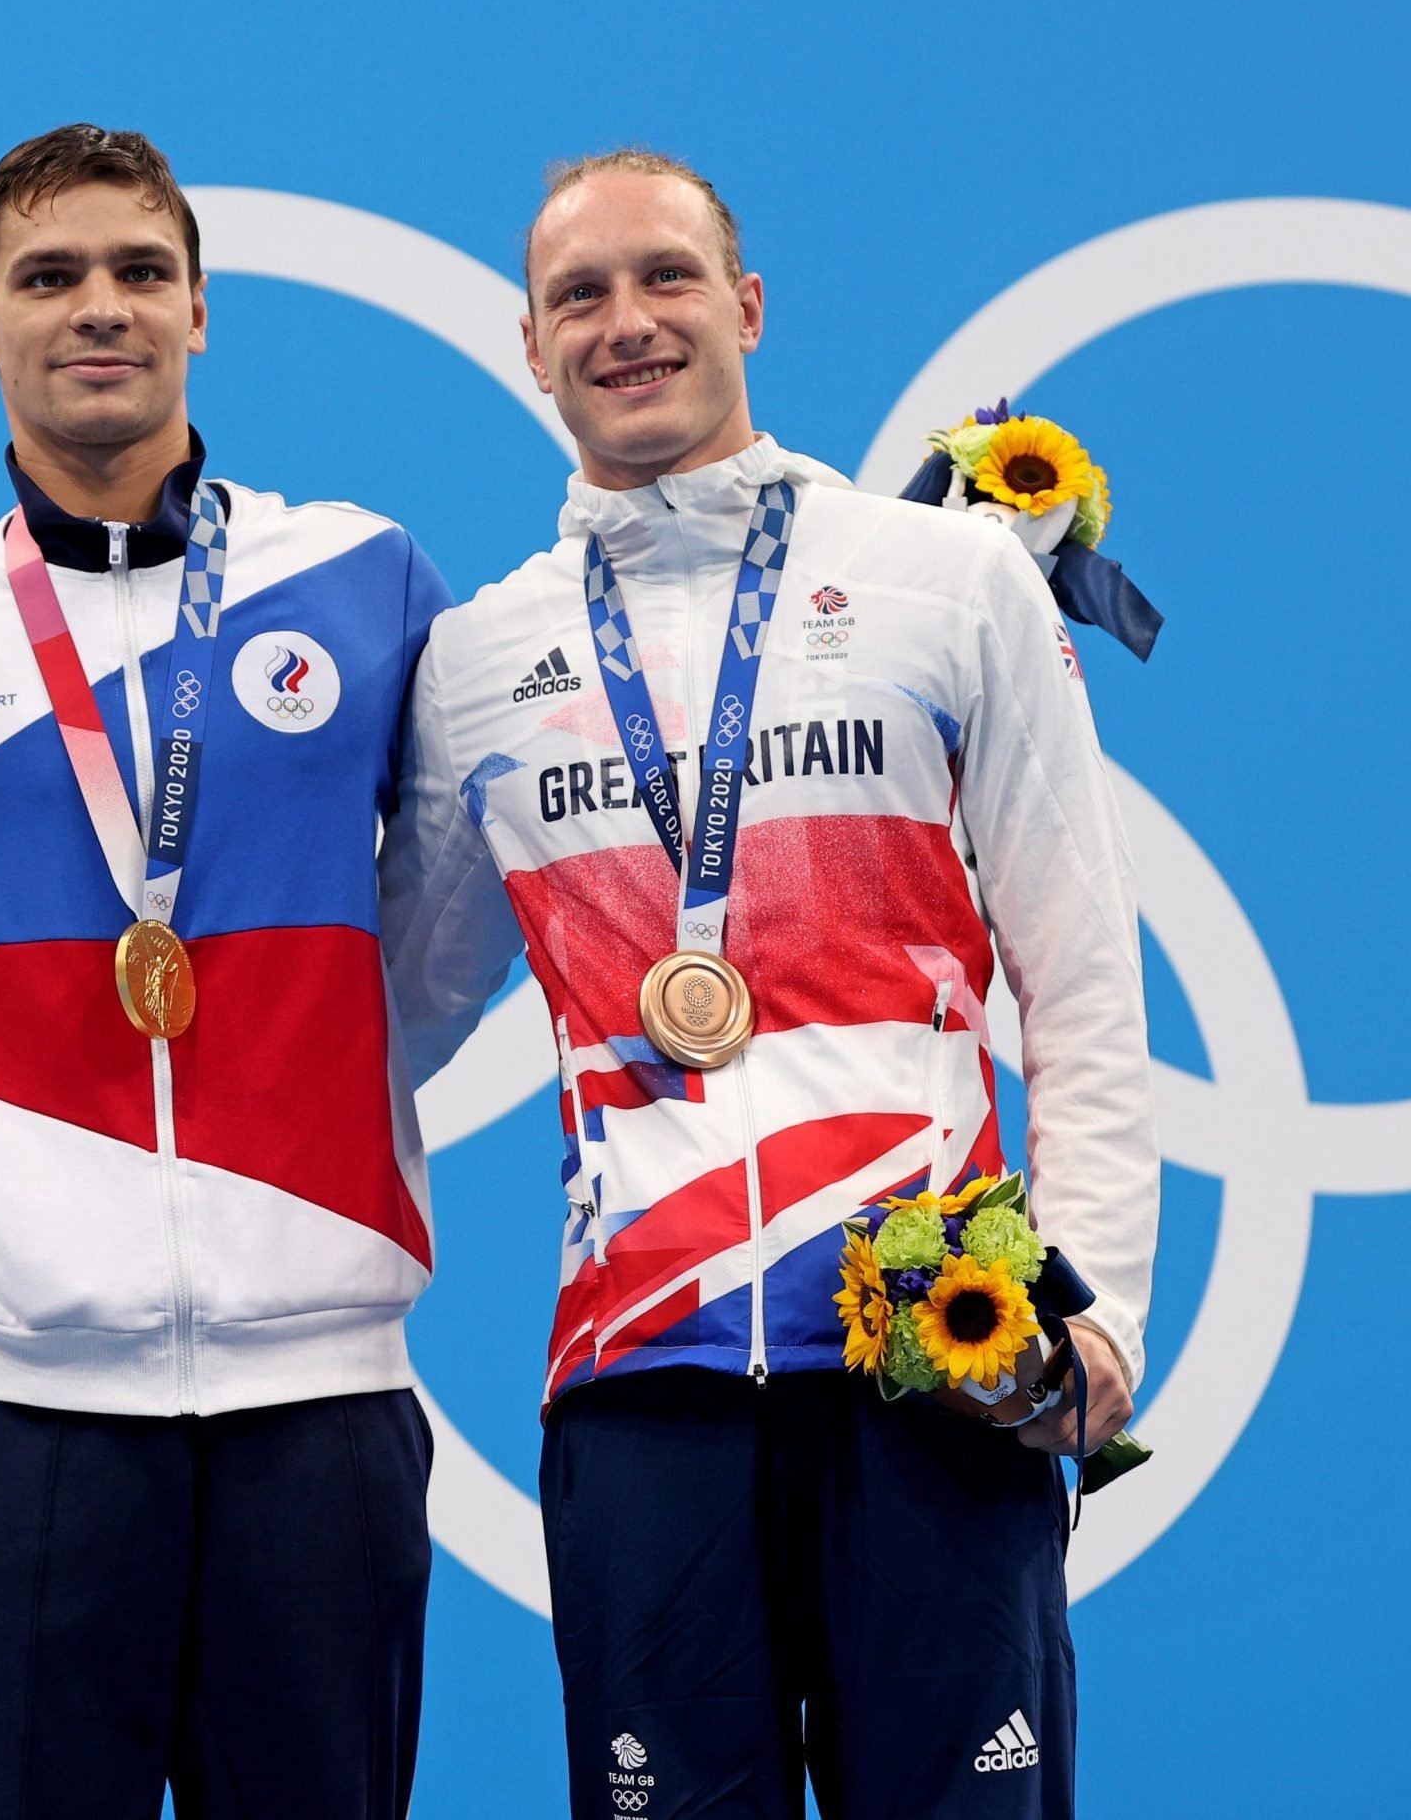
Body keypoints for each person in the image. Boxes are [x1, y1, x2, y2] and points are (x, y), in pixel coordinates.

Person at [386, 150, 1160, 1819]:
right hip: (641, 1380)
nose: (627, 323)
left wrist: (1102, 1316)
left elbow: (1084, 980)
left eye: (666, 277)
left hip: (933, 1354)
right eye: (580, 296)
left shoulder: (944, 585)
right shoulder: (476, 664)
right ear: (531, 347)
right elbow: (384, 1013)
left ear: (745, 305)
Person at [0, 124, 454, 1819]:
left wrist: (322, 1065)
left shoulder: (360, 581)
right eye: (48, 278)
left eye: (139, 271)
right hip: (3, 1400)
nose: (98, 308)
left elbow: (446, 915)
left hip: (317, 1393)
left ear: (201, 306)